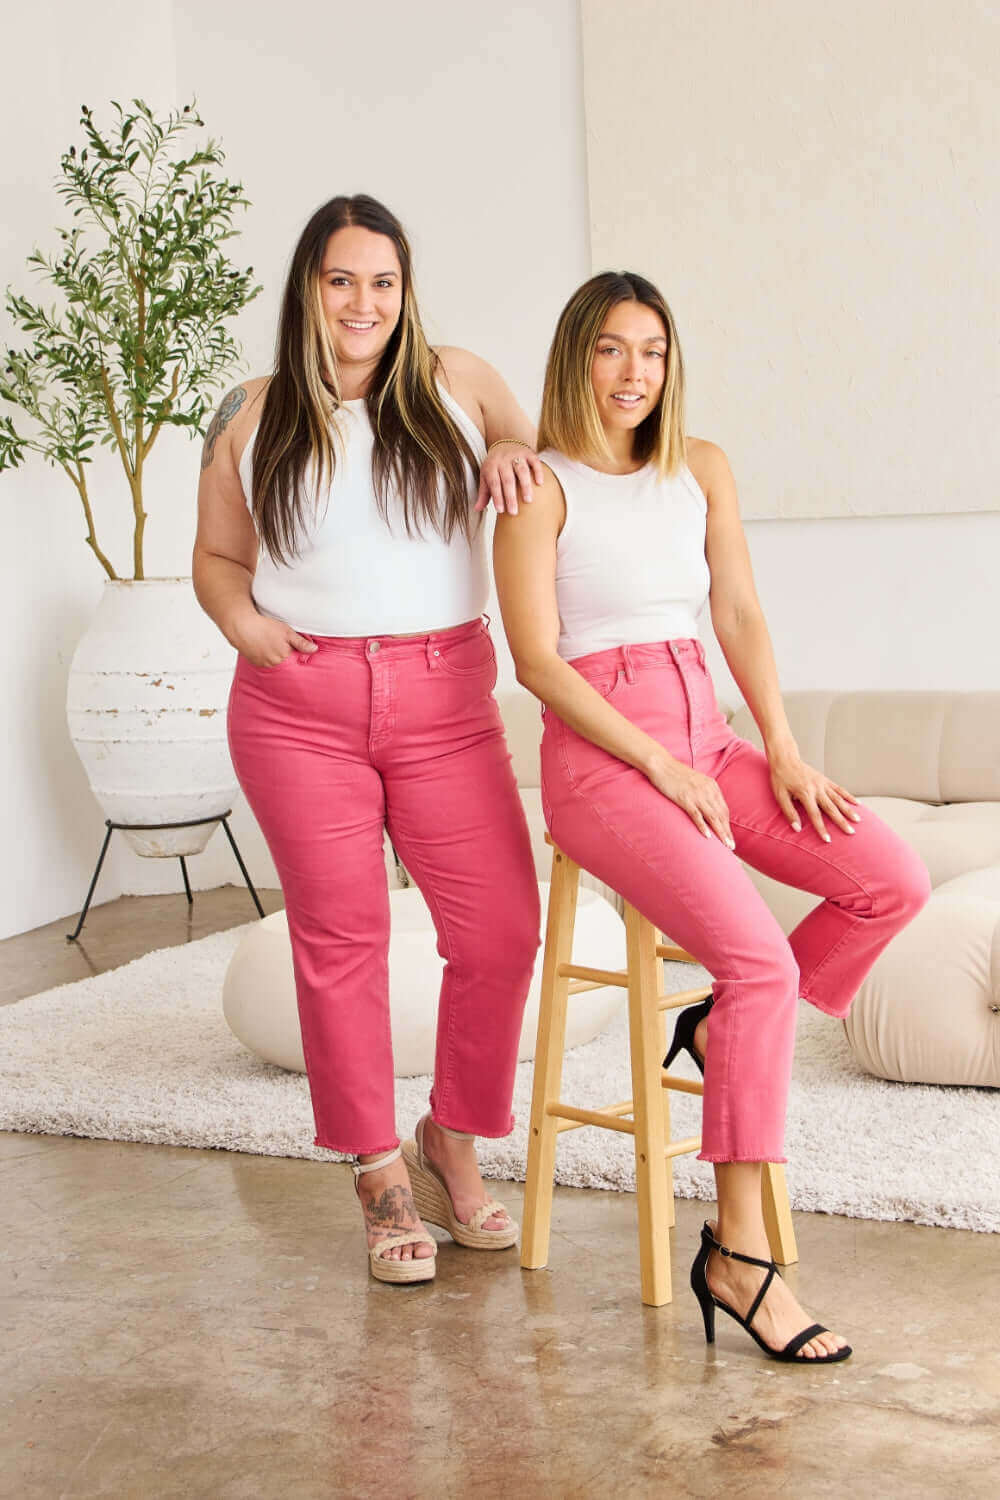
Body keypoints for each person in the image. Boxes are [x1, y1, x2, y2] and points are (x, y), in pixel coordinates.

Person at [493, 270, 931, 1360]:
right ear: (574, 358)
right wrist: (653, 762)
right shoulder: (536, 489)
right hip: (604, 762)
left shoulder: (701, 468)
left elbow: (734, 605)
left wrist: (778, 745)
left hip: (710, 732)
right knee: (762, 969)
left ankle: (720, 1031)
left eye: (650, 349)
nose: (634, 372)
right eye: (609, 349)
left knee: (889, 878)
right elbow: (537, 661)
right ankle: (739, 1259)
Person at [193, 194, 543, 1284]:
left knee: (499, 930)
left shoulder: (459, 381)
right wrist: (246, 624)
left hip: (446, 699)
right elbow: (217, 561)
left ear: (406, 289)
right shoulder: (250, 413)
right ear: (308, 287)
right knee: (339, 942)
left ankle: (454, 1133)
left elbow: (524, 443)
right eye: (341, 280)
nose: (363, 302)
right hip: (300, 709)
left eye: (382, 281)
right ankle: (379, 1174)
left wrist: (508, 458)